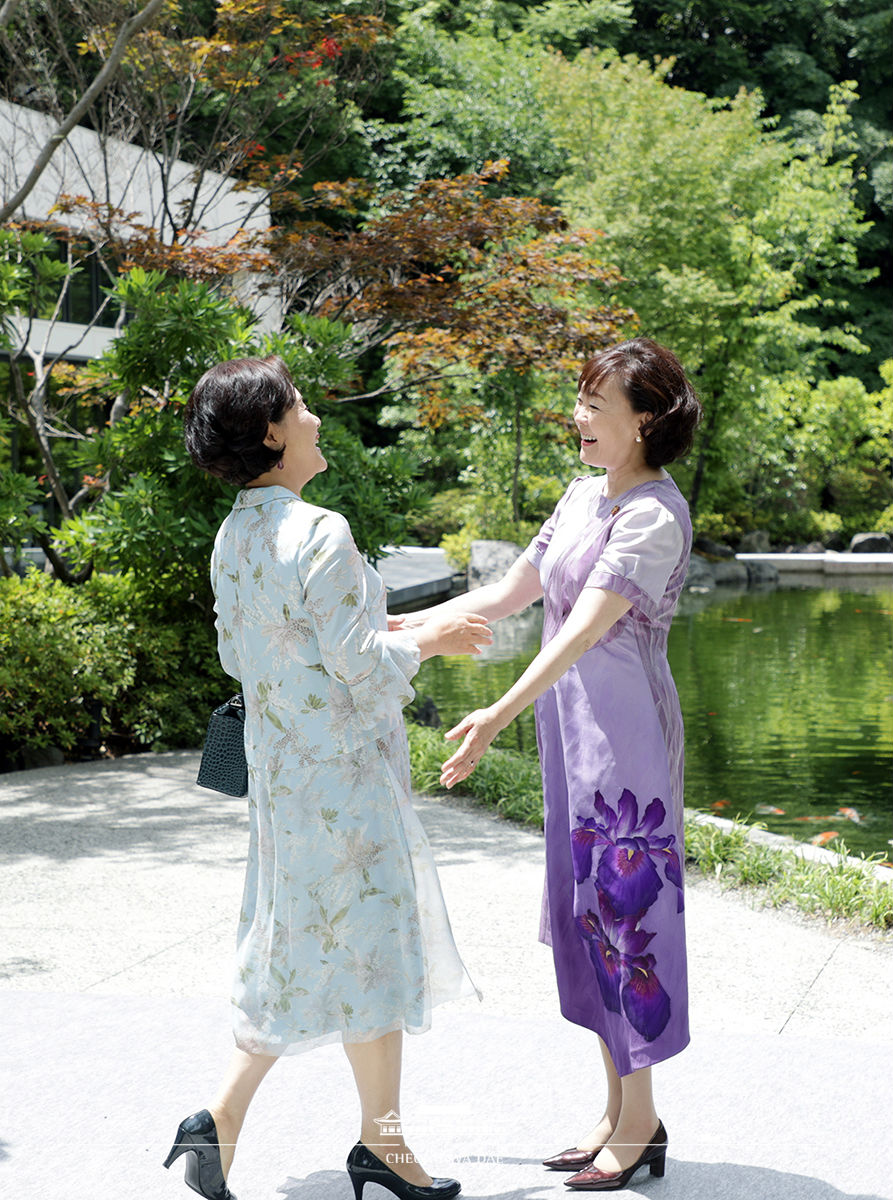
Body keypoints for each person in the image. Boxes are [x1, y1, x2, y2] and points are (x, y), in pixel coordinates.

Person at [169, 356, 491, 1200]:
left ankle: (219, 1123)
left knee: (296, 944)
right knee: (372, 949)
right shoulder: (320, 528)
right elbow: (354, 662)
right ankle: (381, 1146)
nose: (314, 416)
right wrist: (432, 642)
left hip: (283, 780)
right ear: (272, 432)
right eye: (300, 405)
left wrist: (406, 625)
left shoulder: (234, 534)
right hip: (345, 778)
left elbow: (248, 652)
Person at [409, 338, 701, 1192]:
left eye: (593, 402)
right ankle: (618, 1114)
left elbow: (584, 630)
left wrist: (497, 713)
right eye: (577, 398)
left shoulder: (652, 514)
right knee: (586, 918)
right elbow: (505, 598)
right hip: (571, 738)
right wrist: (394, 633)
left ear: (642, 419)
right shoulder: (581, 497)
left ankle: (640, 1122)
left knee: (625, 917)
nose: (576, 415)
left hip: (626, 742)